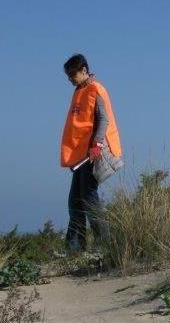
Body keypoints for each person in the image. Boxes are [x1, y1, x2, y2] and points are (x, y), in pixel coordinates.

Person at [60, 54, 122, 252]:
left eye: (73, 74)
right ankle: (76, 247)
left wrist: (96, 144)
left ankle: (105, 244)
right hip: (80, 155)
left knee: (88, 198)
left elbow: (104, 120)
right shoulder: (79, 90)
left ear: (84, 70)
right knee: (76, 200)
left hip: (91, 153)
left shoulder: (96, 88)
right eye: (68, 75)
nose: (70, 78)